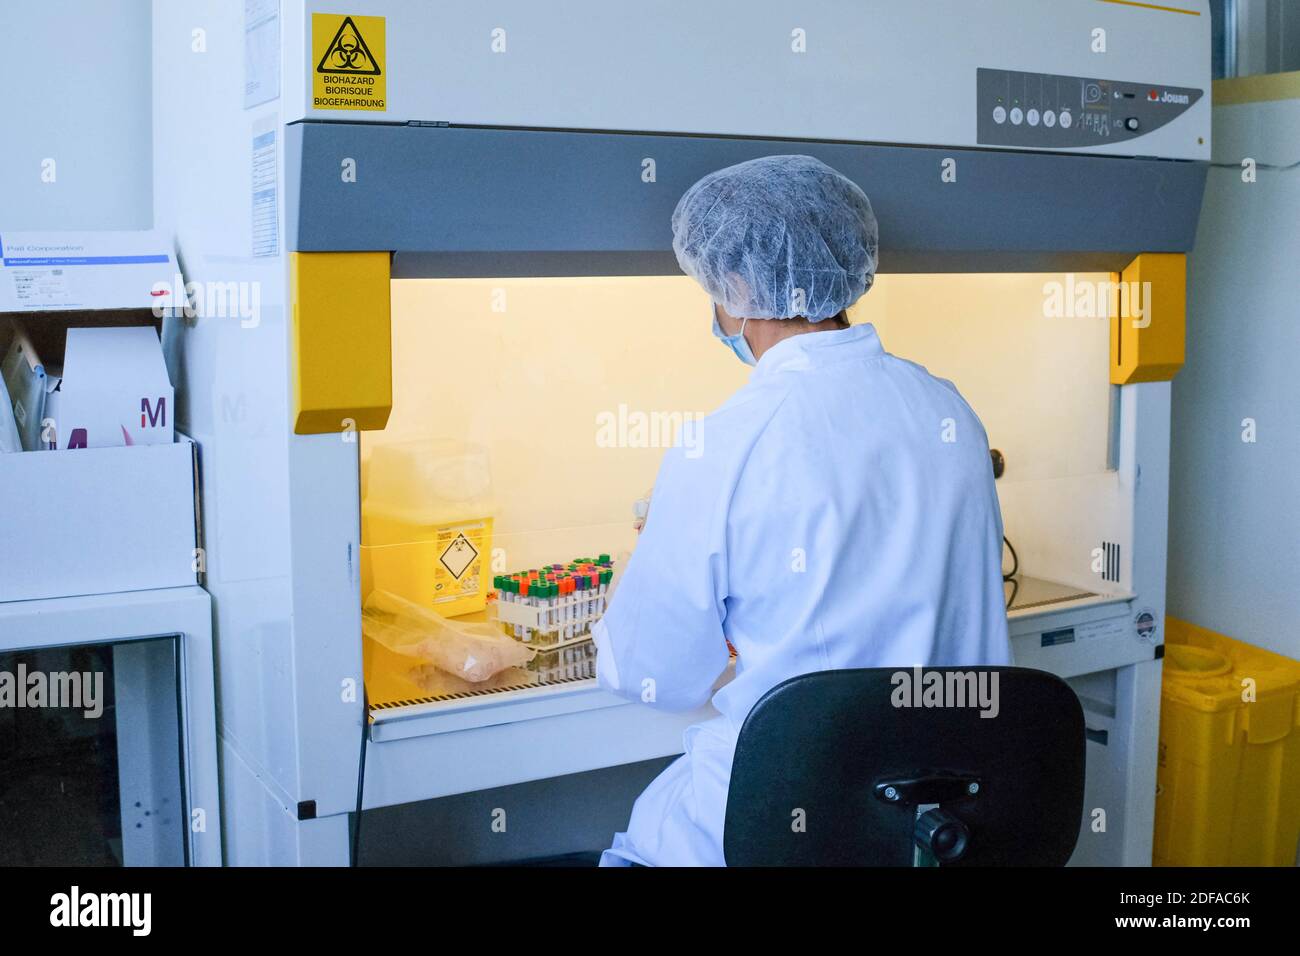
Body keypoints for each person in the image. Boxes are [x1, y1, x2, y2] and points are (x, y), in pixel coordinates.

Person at [591, 155, 1011, 866]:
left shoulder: (728, 441)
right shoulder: (948, 408)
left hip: (777, 819)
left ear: (735, 285)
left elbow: (652, 675)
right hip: (930, 825)